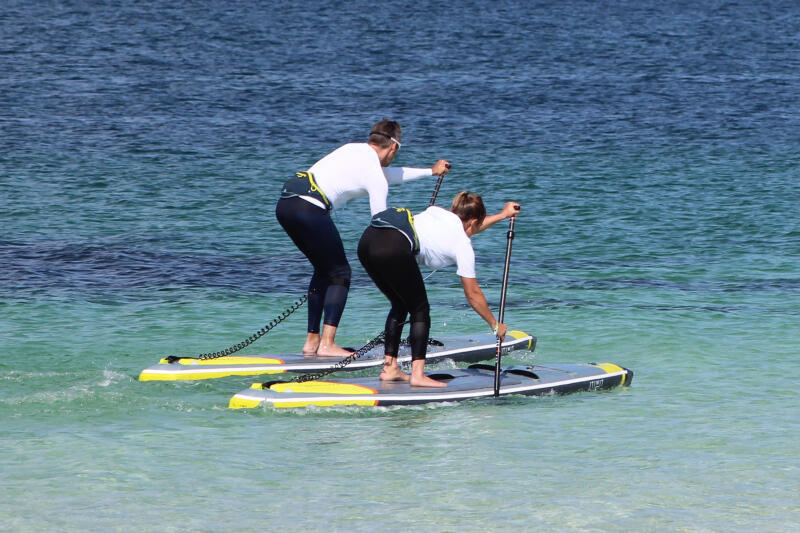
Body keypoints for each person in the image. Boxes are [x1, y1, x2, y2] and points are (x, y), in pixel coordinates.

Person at [275, 119, 451, 356]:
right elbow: (380, 221)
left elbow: (388, 174)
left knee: (324, 269)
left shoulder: (352, 150)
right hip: (309, 208)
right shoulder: (373, 173)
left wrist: (430, 171)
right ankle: (327, 345)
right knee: (340, 273)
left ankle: (312, 342)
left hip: (286, 204)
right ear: (394, 147)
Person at [357, 191, 520, 387]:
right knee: (420, 309)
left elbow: (470, 227)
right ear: (473, 220)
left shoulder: (436, 212)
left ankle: (390, 368)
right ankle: (418, 375)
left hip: (367, 241)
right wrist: (495, 325)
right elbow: (473, 294)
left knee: (400, 304)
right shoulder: (463, 245)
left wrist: (502, 215)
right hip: (393, 247)